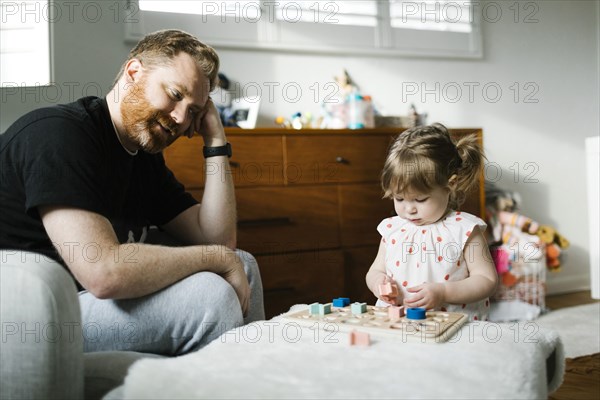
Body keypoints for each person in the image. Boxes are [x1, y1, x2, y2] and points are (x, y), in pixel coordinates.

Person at [0, 28, 265, 372]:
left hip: (86, 300)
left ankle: (255, 384)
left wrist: (215, 141)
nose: (181, 119)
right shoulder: (59, 136)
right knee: (210, 297)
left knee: (244, 265)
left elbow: (220, 241)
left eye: (194, 111)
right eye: (174, 94)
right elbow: (103, 271)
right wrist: (215, 258)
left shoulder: (141, 157)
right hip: (30, 319)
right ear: (133, 72)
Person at [365, 123, 497, 321]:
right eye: (399, 198)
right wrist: (378, 283)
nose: (409, 209)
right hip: (400, 321)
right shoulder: (392, 229)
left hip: (453, 325)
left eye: (420, 199)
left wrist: (444, 293)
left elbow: (487, 279)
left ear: (449, 185)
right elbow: (375, 270)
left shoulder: (465, 230)